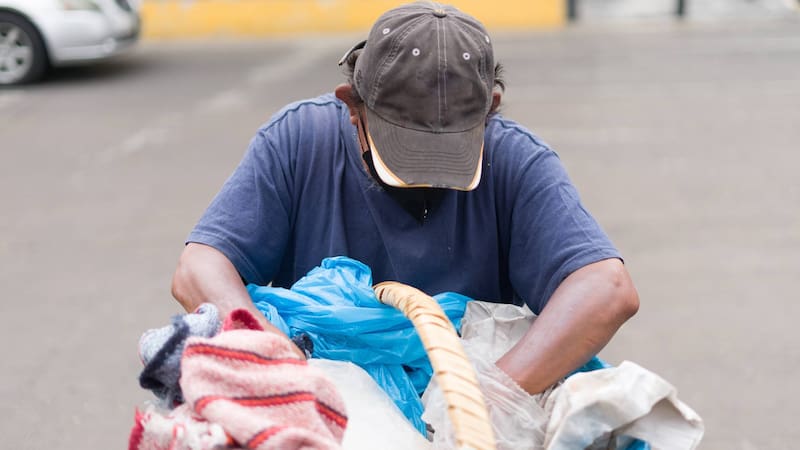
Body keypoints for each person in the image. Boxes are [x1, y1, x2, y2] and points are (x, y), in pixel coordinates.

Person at [171, 1, 639, 395]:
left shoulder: (516, 160)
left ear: (489, 111)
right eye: (406, 153)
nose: (425, 178)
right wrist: (277, 355)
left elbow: (606, 288)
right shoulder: (297, 142)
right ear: (352, 108)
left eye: (447, 153)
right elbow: (200, 268)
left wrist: (486, 398)